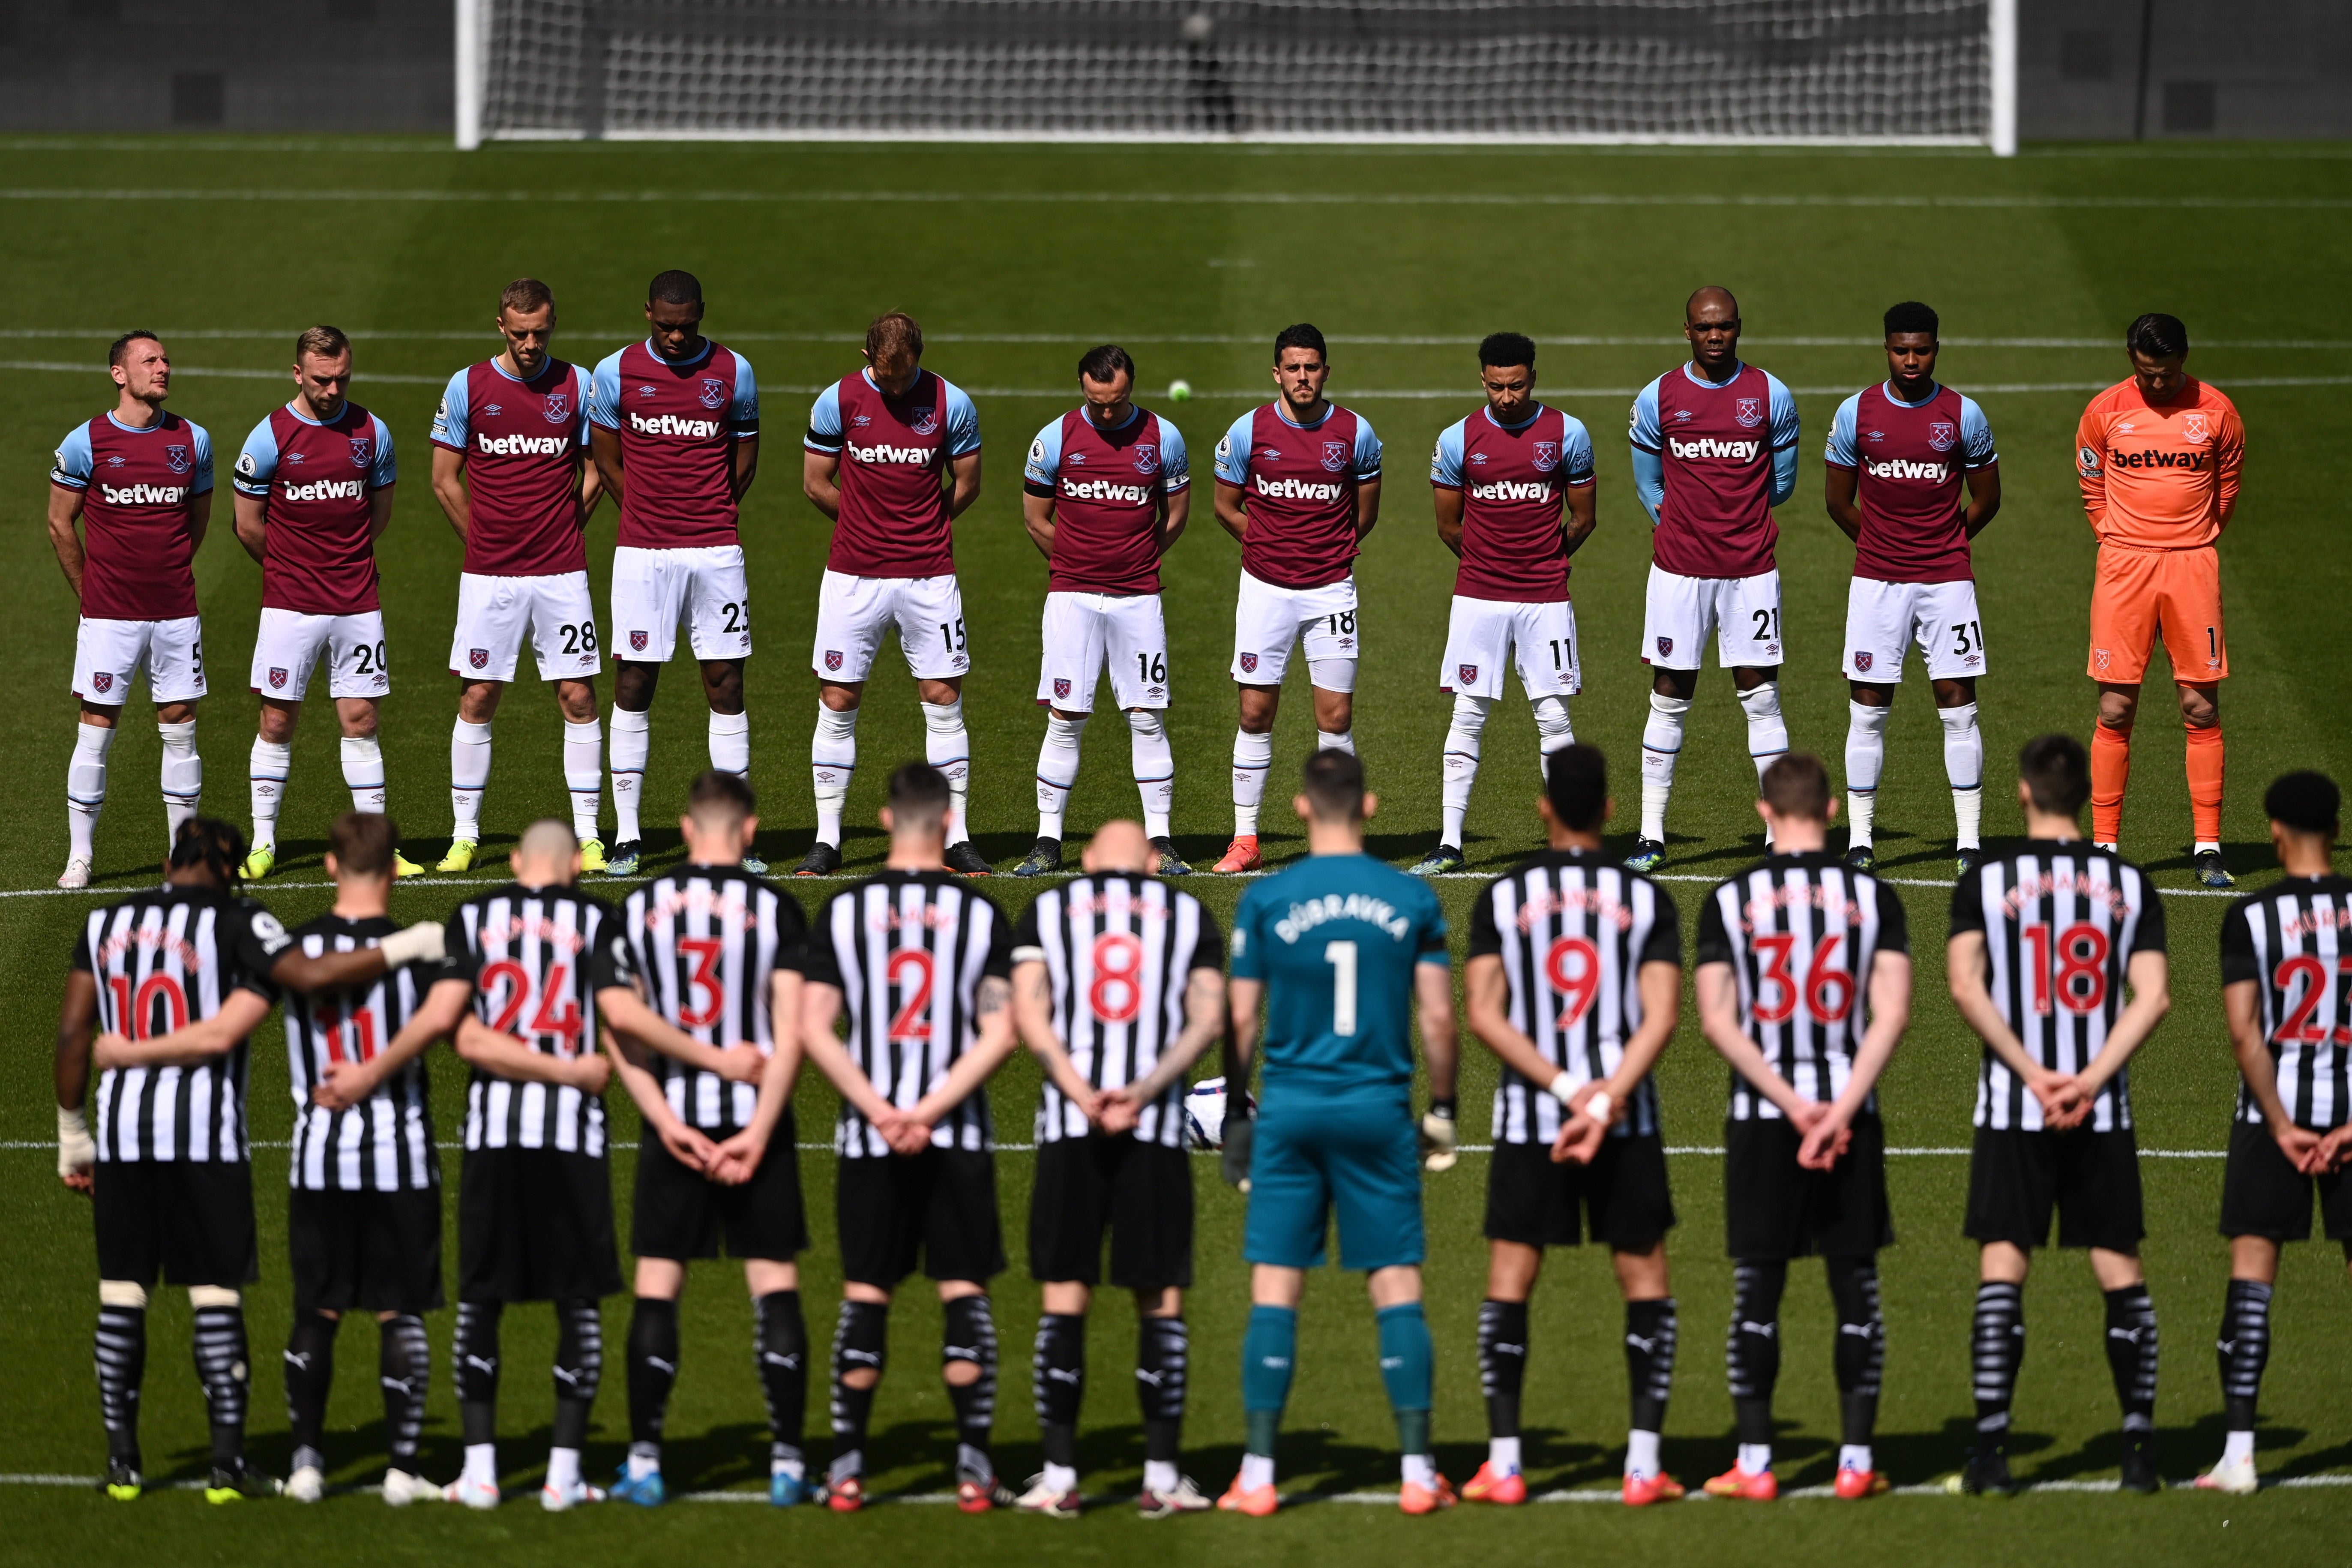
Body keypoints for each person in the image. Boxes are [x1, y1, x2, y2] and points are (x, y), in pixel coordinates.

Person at [54, 816, 443, 1502]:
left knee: (122, 1291)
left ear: (167, 856)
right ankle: (227, 1468)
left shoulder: (104, 921)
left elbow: (72, 1029)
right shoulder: (238, 920)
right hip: (204, 1134)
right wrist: (413, 940)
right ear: (231, 870)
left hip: (121, 1130)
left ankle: (123, 1465)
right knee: (215, 1292)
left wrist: (72, 1133)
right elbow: (316, 975)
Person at [1217, 750, 1460, 1515]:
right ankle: (1418, 1472)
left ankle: (1257, 1473)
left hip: (1289, 1109)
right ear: (1370, 805)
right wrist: (1443, 1105)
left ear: (1298, 807)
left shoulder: (1267, 898)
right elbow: (1438, 1018)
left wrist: (1233, 1112)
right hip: (1376, 1108)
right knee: (1394, 1283)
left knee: (1275, 1286)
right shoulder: (1409, 896)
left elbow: (1239, 1017)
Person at [1460, 744, 1684, 1507]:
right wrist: (1606, 1095)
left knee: (1509, 1280)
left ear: (1544, 807)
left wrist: (1562, 1087)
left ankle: (1505, 1461)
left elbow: (1482, 1012)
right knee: (1644, 1277)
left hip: (1533, 1117)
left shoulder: (1502, 895)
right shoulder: (1646, 898)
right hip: (1624, 1119)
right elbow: (1661, 1013)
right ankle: (1643, 1463)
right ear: (1610, 810)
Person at [1946, 734, 2170, 1496]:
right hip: (2099, 1108)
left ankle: (1990, 1452)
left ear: (2021, 792)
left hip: (2015, 1105)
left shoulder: (1987, 879)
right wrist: (2086, 1079)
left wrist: (2037, 1076)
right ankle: (2137, 1451)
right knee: (2120, 1269)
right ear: (2082, 794)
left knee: (2002, 1265)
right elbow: (2154, 995)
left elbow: (1964, 986)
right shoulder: (2128, 883)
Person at [797, 762, 1022, 1510]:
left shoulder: (844, 910)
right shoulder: (982, 915)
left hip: (871, 1135)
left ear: (888, 821)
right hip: (953, 1131)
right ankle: (972, 1465)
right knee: (962, 1288)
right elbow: (1002, 1030)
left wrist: (881, 1108)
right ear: (947, 818)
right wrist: (930, 1109)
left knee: (866, 1291)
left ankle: (849, 1466)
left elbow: (813, 1027)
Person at [1692, 753, 1910, 1501]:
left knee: (1758, 1282)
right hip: (1851, 1117)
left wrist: (1791, 1106)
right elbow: (1892, 1012)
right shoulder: (1871, 896)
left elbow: (1717, 1020)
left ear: (1763, 810)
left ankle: (1754, 1462)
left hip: (1763, 1117)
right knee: (1854, 1281)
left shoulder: (1728, 899)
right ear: (1831, 809)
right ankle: (1853, 1459)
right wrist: (1838, 1108)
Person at [602, 771, 814, 1508]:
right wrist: (757, 1129)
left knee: (659, 1286)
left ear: (688, 829)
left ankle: (645, 1458)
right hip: (757, 1120)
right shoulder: (777, 908)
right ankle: (788, 1461)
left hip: (677, 1122)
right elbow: (794, 1031)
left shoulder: (641, 905)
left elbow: (616, 1018)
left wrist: (664, 1120)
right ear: (750, 830)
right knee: (774, 1283)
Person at [1008, 820, 1226, 1517]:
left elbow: (1028, 1011)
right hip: (1154, 1126)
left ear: (1090, 859)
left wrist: (1079, 1089)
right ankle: (1161, 1476)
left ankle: (1059, 1475)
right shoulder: (1186, 912)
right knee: (1157, 1296)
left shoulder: (1046, 909)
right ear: (1153, 863)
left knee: (1065, 1295)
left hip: (1070, 1125)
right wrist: (1145, 1088)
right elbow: (1206, 1019)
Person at [418, 820, 635, 1510]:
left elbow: (468, 1036)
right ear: (576, 864)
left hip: (494, 1138)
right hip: (574, 1139)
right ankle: (563, 1475)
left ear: (515, 861)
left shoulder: (474, 915)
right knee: (578, 1299)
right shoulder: (601, 919)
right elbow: (623, 1022)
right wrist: (572, 1069)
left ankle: (480, 1472)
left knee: (483, 1296)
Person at [276, 811, 464, 1505]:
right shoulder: (422, 949)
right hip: (400, 1156)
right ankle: (402, 1466)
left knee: (317, 1309)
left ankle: (304, 1462)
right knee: (400, 1310)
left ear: (330, 864)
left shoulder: (296, 947)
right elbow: (454, 1028)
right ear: (392, 870)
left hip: (317, 1158)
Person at [2198, 770, 2352, 1494]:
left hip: (2271, 1117)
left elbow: (2242, 1032)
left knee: (2252, 1277)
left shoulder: (2250, 917)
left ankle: (2238, 1452)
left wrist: (2285, 1124)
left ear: (2274, 831)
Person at [798, 314, 989, 876]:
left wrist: (925, 526)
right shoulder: (838, 400)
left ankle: (955, 836)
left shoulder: (952, 402)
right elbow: (816, 481)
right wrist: (865, 524)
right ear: (867, 356)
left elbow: (969, 482)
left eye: (906, 376)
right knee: (837, 699)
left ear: (920, 357)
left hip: (929, 576)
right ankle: (827, 838)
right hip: (853, 575)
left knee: (943, 697)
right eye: (888, 376)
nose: (899, 386)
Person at [429, 277, 608, 872]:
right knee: (479, 695)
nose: (532, 344)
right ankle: (464, 834)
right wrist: (483, 538)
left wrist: (567, 524)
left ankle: (588, 835)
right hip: (491, 575)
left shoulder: (578, 384)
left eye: (541, 332)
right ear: (501, 326)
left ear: (552, 325)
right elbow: (444, 478)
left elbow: (598, 468)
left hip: (561, 572)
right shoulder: (469, 385)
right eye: (521, 333)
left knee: (578, 694)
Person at [588, 270, 763, 877]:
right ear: (647, 315)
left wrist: (710, 510)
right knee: (634, 684)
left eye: (687, 326)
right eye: (665, 326)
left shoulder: (735, 372)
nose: (676, 336)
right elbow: (605, 458)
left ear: (702, 314)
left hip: (716, 551)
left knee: (726, 684)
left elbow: (745, 456)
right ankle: (630, 834)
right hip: (642, 553)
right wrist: (647, 512)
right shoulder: (614, 373)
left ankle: (730, 837)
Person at [232, 326, 419, 879]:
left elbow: (378, 513)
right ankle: (264, 842)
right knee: (277, 716)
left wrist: (347, 560)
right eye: (322, 380)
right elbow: (247, 525)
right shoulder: (269, 437)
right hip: (290, 603)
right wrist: (296, 568)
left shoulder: (372, 431)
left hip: (357, 601)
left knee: (361, 719)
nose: (334, 389)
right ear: (297, 373)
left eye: (342, 378)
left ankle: (377, 847)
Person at [1625, 287, 1800, 872]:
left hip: (1750, 571)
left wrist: (1736, 524)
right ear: (1687, 331)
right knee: (1669, 694)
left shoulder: (1771, 395)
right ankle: (1651, 834)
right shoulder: (1657, 397)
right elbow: (1649, 485)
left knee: (1761, 694)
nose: (1715, 336)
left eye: (1724, 326)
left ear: (1739, 328)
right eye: (1704, 328)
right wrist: (1686, 527)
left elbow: (1783, 483)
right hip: (1678, 571)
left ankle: (1778, 832)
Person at [1825, 301, 2003, 876]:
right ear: (1886, 348)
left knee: (1958, 706)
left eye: (1921, 350)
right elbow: (1837, 501)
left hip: (1947, 581)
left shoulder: (1962, 414)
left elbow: (1986, 498)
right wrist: (1880, 544)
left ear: (1936, 348)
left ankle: (1970, 841)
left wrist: (1945, 543)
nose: (1911, 359)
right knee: (1868, 708)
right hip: (1877, 581)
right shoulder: (1856, 412)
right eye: (1901, 349)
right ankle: (1859, 840)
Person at [1410, 332, 1596, 876]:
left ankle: (1569, 841)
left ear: (1533, 378)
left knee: (1553, 716)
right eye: (1496, 386)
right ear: (1482, 381)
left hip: (1545, 598)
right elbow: (1448, 526)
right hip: (1477, 597)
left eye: (1516, 385)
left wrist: (1544, 560)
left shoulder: (1567, 434)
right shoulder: (1457, 439)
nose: (1507, 396)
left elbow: (1583, 517)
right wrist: (1491, 565)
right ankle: (1449, 841)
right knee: (1467, 712)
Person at [2076, 312, 2244, 887]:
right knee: (2115, 708)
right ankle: (2103, 845)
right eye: (2148, 373)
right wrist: (2115, 536)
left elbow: (2228, 486)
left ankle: (2207, 846)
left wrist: (2192, 538)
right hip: (2123, 568)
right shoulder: (2104, 411)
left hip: (2192, 568)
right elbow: (2091, 482)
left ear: (2184, 360)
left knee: (2200, 707)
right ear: (2131, 360)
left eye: (2167, 373)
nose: (2157, 384)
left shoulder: (2217, 411)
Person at [1209, 324, 1383, 875]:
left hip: (1330, 589)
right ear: (1277, 372)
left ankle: (1337, 837)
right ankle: (1245, 838)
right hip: (1264, 590)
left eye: (1311, 367)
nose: (1302, 377)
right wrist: (1268, 546)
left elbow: (1364, 513)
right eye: (1293, 368)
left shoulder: (1355, 434)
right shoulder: (1247, 431)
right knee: (1255, 711)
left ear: (1325, 371)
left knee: (1335, 716)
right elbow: (1225, 506)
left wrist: (1324, 553)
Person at [1013, 346, 1192, 878]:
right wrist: (1077, 563)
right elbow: (1034, 518)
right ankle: (1048, 840)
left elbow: (1176, 514)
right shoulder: (1054, 439)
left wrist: (1135, 561)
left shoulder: (1164, 438)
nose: (1106, 412)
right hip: (1071, 597)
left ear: (1131, 386)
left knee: (1146, 715)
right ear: (1081, 387)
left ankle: (1160, 839)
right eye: (1095, 402)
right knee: (1065, 716)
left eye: (1115, 403)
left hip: (1138, 598)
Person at [48, 330, 214, 888]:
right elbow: (59, 521)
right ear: (120, 373)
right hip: (109, 615)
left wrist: (166, 572)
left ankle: (183, 856)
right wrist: (90, 587)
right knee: (97, 726)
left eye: (165, 359)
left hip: (175, 612)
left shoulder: (193, 440)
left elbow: (196, 519)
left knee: (179, 725)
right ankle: (81, 857)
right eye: (150, 361)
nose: (163, 367)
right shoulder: (86, 441)